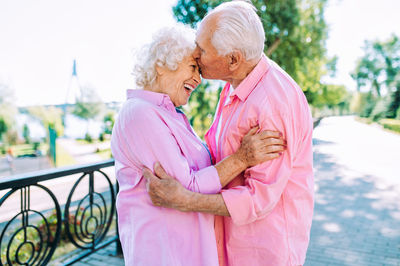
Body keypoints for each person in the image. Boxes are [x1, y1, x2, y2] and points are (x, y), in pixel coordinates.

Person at [143, 1, 314, 266]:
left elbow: (258, 199)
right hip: (232, 244)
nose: (195, 54)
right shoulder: (235, 84)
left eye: (202, 49)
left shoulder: (272, 103)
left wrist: (186, 200)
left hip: (263, 251)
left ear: (233, 59)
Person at [111, 25, 285, 266]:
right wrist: (242, 158)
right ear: (162, 65)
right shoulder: (139, 113)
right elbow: (187, 187)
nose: (198, 79)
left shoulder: (170, 114)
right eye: (193, 66)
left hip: (187, 252)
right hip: (165, 256)